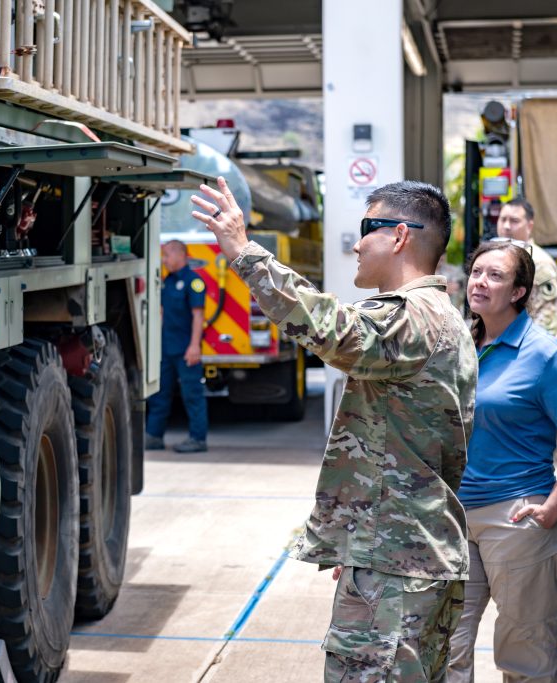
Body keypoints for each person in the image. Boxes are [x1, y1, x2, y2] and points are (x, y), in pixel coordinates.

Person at [191, 178, 476, 681]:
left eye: (367, 228)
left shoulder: (412, 317)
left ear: (400, 236)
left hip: (398, 563)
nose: (357, 243)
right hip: (399, 551)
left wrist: (243, 252)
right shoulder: (442, 317)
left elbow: (331, 330)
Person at [447, 241, 557, 682]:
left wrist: (553, 506)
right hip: (455, 517)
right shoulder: (460, 343)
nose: (480, 281)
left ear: (519, 291)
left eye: (495, 275)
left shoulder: (545, 355)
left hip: (515, 519)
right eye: (477, 272)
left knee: (523, 659)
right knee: (446, 650)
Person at [145, 240, 208, 453]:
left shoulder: (194, 282)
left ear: (181, 255)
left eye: (167, 255)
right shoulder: (167, 281)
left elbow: (198, 316)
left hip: (185, 349)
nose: (164, 260)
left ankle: (198, 439)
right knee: (159, 394)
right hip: (166, 349)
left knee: (192, 395)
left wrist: (194, 346)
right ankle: (154, 436)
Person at [496, 197, 557, 337]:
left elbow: (548, 320)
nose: (506, 226)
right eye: (503, 219)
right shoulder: (497, 257)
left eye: (514, 221)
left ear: (529, 226)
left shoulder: (540, 263)